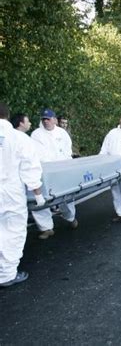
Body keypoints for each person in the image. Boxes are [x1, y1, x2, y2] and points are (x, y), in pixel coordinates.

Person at [0, 103, 45, 287]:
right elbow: (30, 168)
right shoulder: (18, 138)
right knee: (13, 230)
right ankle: (7, 274)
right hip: (10, 192)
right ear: (7, 115)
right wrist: (37, 193)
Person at [31, 108, 78, 239]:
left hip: (63, 169)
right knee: (41, 199)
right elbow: (39, 154)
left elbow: (68, 150)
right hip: (45, 170)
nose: (46, 121)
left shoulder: (62, 133)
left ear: (54, 120)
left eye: (48, 119)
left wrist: (67, 164)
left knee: (66, 197)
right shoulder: (36, 134)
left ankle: (70, 217)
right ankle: (46, 228)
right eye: (43, 119)